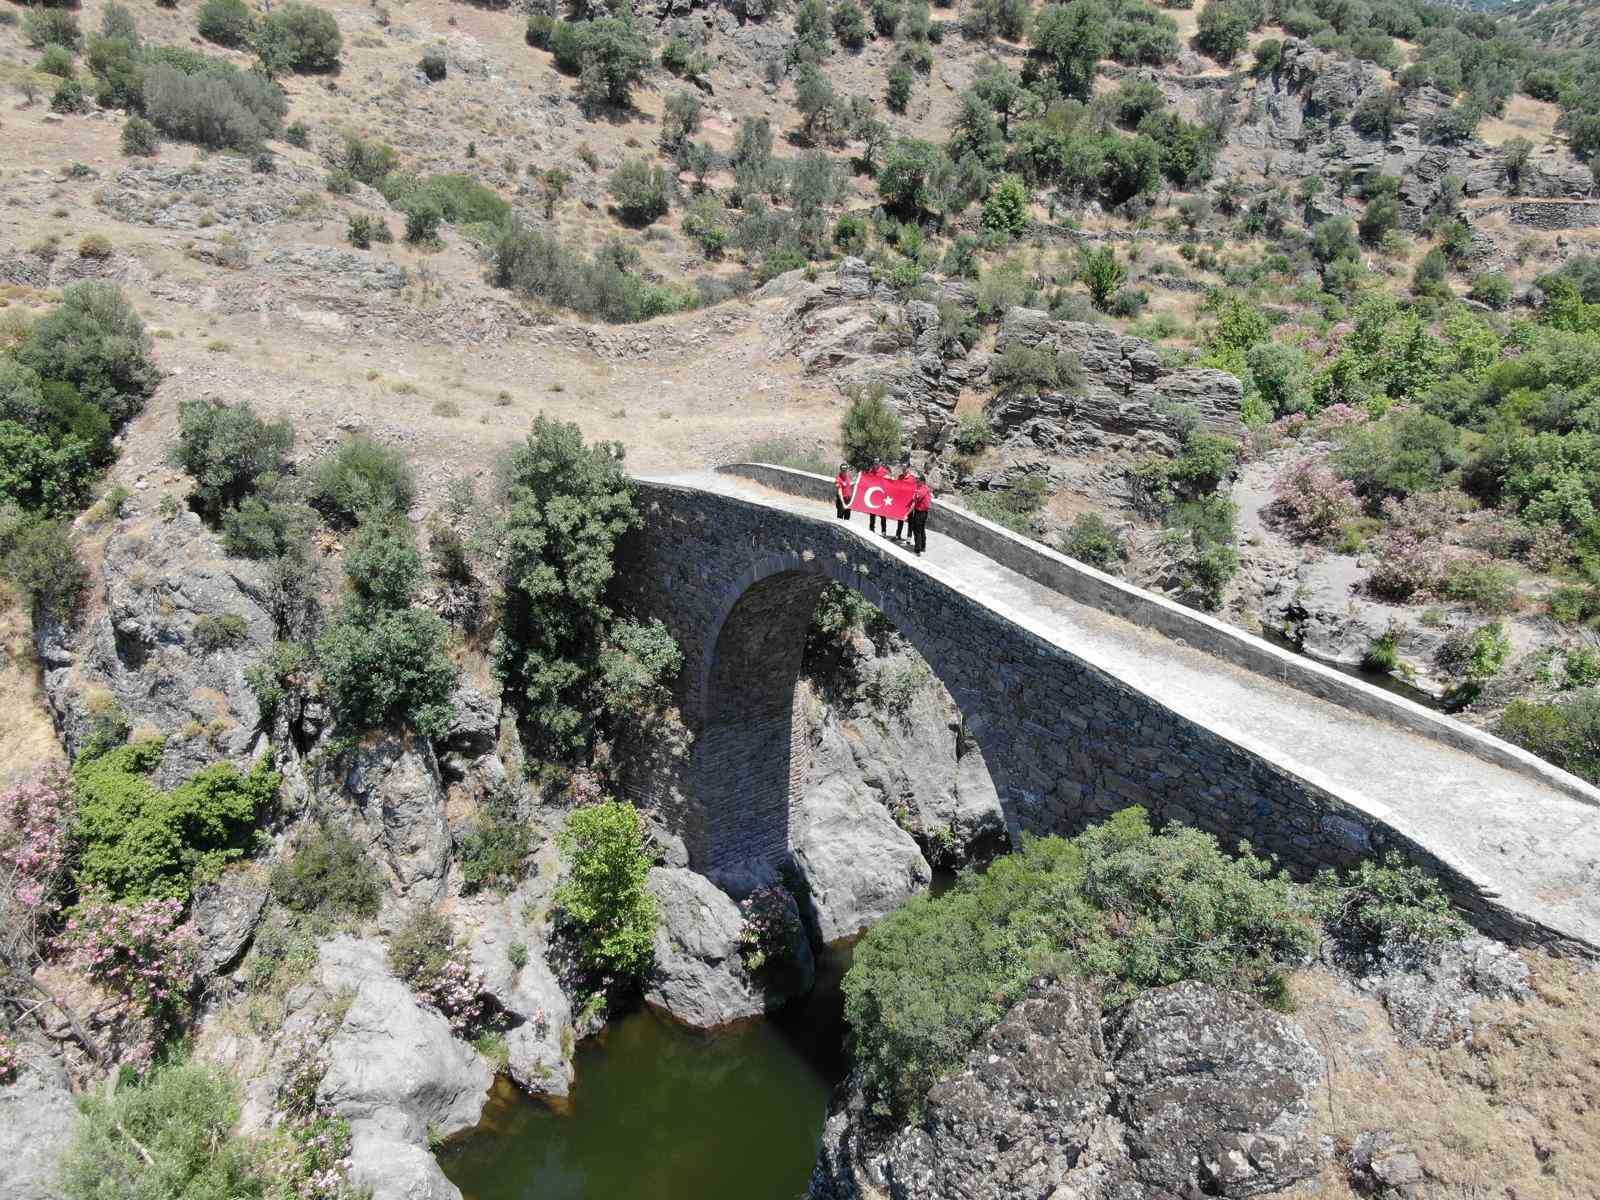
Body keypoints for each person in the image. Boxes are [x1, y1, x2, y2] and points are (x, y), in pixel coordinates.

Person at [909, 475, 933, 556]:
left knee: (917, 531)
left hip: (920, 512)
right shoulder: (925, 488)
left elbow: (916, 498)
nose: (917, 482)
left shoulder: (923, 489)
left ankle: (917, 550)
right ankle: (923, 546)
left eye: (918, 481)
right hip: (923, 512)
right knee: (921, 530)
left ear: (922, 481)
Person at [865, 460, 889, 534]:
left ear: (880, 463)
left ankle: (883, 531)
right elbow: (868, 479)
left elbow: (888, 481)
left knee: (882, 514)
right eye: (874, 463)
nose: (875, 465)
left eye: (877, 463)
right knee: (872, 513)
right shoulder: (871, 470)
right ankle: (871, 529)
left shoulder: (884, 471)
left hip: (881, 495)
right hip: (873, 494)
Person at [892, 463, 914, 540]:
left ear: (908, 469)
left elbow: (915, 489)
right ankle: (898, 535)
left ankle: (909, 537)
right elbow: (896, 486)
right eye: (902, 468)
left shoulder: (912, 478)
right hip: (901, 502)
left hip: (909, 502)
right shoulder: (900, 477)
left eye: (905, 468)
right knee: (900, 519)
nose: (903, 470)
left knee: (910, 520)